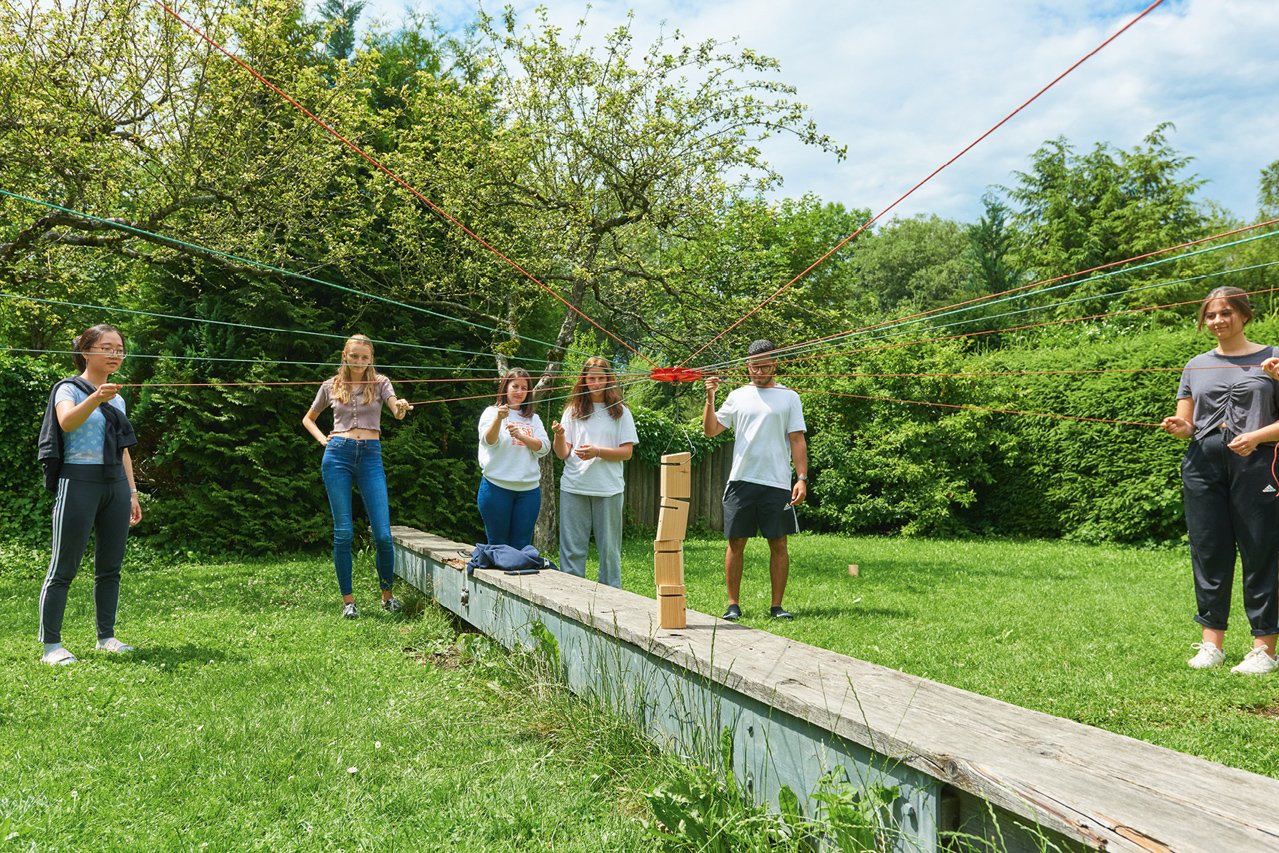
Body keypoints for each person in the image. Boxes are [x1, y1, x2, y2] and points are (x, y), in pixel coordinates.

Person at [1161, 287, 1279, 674]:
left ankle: (1264, 648)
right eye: (1210, 315)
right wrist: (1180, 427)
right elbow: (1187, 422)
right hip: (1202, 465)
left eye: (1226, 312)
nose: (1218, 321)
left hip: (1257, 464)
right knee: (1209, 550)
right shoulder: (1196, 364)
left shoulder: (1273, 357)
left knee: (1262, 550)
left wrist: (1257, 437)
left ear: (1244, 314)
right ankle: (1212, 645)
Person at [37, 324, 143, 665]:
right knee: (63, 566)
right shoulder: (67, 389)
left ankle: (106, 637)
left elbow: (123, 449)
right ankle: (51, 645)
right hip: (78, 481)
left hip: (114, 484)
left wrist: (132, 491)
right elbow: (67, 422)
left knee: (110, 567)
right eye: (107, 347)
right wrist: (96, 397)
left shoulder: (119, 397)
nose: (116, 354)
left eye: (120, 348)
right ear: (86, 351)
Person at [303, 334, 412, 619]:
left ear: (371, 358)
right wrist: (322, 440)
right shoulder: (330, 385)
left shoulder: (381, 383)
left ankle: (387, 597)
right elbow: (308, 418)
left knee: (384, 535)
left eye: (365, 357)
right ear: (345, 356)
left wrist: (400, 407)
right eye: (354, 356)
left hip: (371, 456)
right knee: (343, 533)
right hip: (337, 454)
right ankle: (348, 602)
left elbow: (395, 409)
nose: (359, 361)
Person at [703, 339, 808, 621]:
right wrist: (710, 398)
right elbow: (711, 430)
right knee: (736, 542)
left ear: (775, 363)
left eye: (764, 366)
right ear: (747, 366)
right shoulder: (737, 396)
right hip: (741, 479)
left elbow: (797, 439)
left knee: (779, 543)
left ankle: (777, 607)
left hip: (776, 482)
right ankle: (733, 605)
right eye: (754, 367)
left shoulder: (789, 397)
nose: (759, 372)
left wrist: (801, 478)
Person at [552, 356, 638, 588]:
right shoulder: (572, 411)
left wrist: (598, 451)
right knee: (571, 552)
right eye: (592, 378)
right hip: (574, 486)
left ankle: (611, 606)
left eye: (601, 378)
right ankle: (571, 602)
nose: (597, 382)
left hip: (608, 490)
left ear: (609, 380)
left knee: (609, 553)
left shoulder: (620, 412)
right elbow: (562, 453)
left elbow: (627, 452)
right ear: (584, 379)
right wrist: (559, 436)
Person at [477, 367, 550, 548]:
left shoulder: (534, 419)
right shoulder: (491, 413)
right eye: (515, 386)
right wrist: (498, 420)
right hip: (496, 488)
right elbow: (488, 441)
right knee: (498, 544)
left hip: (529, 491)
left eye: (524, 388)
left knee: (522, 544)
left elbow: (544, 448)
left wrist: (522, 436)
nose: (519, 392)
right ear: (505, 387)